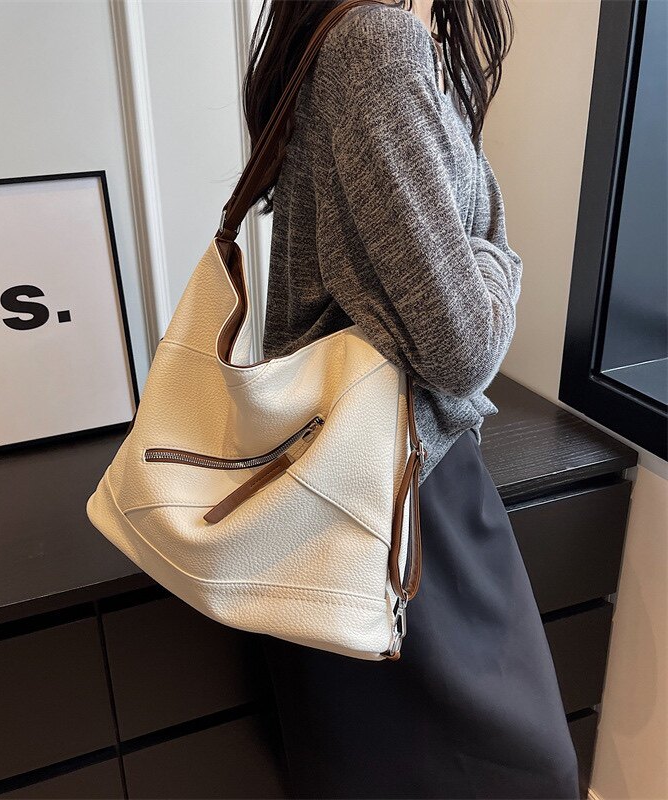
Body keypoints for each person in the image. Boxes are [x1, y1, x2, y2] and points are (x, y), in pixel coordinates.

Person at [242, 0, 582, 797]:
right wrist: (499, 259)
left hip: (347, 488)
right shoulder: (376, 44)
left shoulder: (348, 37)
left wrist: (478, 254)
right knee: (532, 772)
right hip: (404, 493)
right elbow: (463, 350)